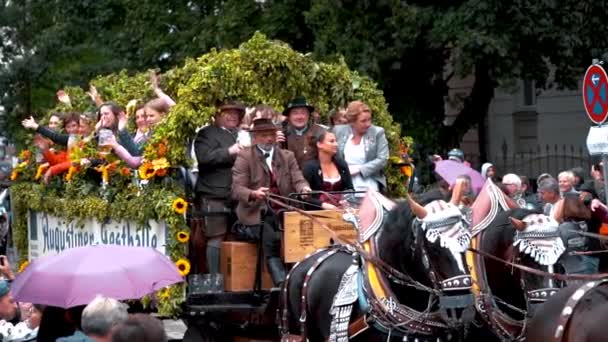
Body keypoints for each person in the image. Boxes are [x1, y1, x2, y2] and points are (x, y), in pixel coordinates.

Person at [232, 118, 311, 286]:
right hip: (256, 212)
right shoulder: (245, 156)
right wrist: (253, 193)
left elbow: (298, 178)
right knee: (270, 229)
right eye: (263, 135)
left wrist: (304, 188)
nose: (269, 139)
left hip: (285, 209)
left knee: (305, 228)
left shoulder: (287, 156)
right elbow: (237, 189)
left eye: (271, 135)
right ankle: (281, 283)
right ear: (255, 138)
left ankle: (306, 277)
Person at [194, 100, 246, 274]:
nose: (232, 116)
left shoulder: (243, 134)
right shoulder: (206, 133)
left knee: (240, 236)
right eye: (227, 112)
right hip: (213, 193)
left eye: (236, 113)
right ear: (216, 115)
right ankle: (215, 280)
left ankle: (237, 280)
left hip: (239, 194)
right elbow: (204, 158)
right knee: (215, 237)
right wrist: (229, 151)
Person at [332, 100, 389, 193]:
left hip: (369, 182)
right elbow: (330, 153)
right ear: (351, 122)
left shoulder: (377, 132)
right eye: (363, 121)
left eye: (369, 119)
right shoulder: (338, 131)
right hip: (343, 184)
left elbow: (383, 159)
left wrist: (359, 169)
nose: (368, 124)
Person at [301, 131, 354, 210]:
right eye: (331, 141)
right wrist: (322, 205)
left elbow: (350, 188)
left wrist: (345, 200)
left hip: (341, 210)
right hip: (316, 213)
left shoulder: (341, 164)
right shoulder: (309, 167)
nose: (336, 144)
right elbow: (304, 196)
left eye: (336, 141)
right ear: (319, 144)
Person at [281, 96, 326, 169]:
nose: (299, 117)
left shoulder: (320, 132)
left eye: (303, 112)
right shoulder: (282, 134)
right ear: (289, 117)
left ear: (309, 115)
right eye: (295, 113)